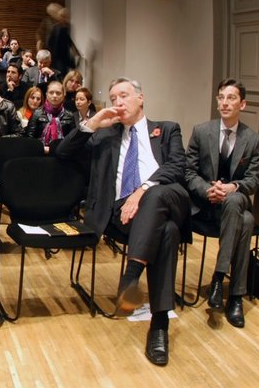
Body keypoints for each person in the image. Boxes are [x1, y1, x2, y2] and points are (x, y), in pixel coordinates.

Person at [57, 77, 190, 366]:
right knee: (166, 233)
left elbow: (178, 166)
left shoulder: (167, 130)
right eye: (114, 98)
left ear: (141, 98)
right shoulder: (105, 136)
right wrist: (92, 123)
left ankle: (131, 274)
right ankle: (159, 326)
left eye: (124, 96)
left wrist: (141, 191)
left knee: (154, 194)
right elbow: (63, 153)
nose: (118, 102)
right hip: (123, 215)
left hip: (168, 200)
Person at [185, 79, 259, 328]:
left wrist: (232, 187)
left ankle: (220, 279)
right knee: (246, 221)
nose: (225, 102)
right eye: (221, 97)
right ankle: (235, 296)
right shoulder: (201, 131)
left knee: (236, 200)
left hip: (232, 204)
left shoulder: (251, 138)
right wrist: (209, 190)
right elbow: (188, 172)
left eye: (231, 98)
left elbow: (253, 180)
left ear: (243, 103)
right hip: (206, 209)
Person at [25, 80, 76, 151]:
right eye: (51, 92)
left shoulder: (69, 115)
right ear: (46, 95)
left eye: (58, 93)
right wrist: (43, 149)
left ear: (63, 95)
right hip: (40, 152)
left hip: (61, 153)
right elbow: (30, 138)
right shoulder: (37, 113)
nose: (54, 96)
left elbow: (72, 141)